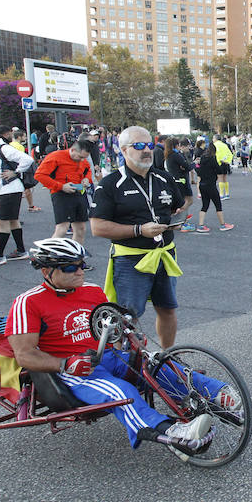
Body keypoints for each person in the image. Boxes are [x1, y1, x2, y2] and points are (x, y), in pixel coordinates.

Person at [4, 237, 224, 455]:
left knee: (160, 366)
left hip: (107, 357)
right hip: (71, 371)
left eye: (82, 265)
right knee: (120, 391)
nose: (80, 271)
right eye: (70, 267)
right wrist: (65, 363)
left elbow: (111, 328)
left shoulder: (92, 291)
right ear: (46, 272)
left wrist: (128, 338)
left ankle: (223, 395)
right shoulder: (28, 302)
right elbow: (24, 355)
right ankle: (173, 432)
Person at [89, 126, 186, 348]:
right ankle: (126, 363)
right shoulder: (110, 184)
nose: (147, 151)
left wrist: (173, 221)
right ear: (123, 150)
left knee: (168, 309)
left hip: (164, 256)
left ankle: (167, 356)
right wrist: (139, 230)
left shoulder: (164, 178)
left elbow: (178, 206)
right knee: (127, 317)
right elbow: (97, 227)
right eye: (139, 146)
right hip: (131, 259)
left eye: (150, 145)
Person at [0, 123, 33, 267]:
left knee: (4, 222)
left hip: (9, 190)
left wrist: (15, 172)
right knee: (13, 220)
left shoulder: (4, 148)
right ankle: (21, 251)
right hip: (4, 190)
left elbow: (28, 159)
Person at [35, 138, 95, 253]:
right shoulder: (56, 157)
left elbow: (87, 170)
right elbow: (39, 175)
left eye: (84, 158)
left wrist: (87, 179)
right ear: (73, 150)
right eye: (80, 157)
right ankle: (47, 255)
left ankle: (76, 258)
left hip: (79, 194)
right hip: (61, 195)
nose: (82, 160)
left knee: (81, 229)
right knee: (62, 229)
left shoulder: (82, 160)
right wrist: (61, 186)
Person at [193, 142, 234, 233]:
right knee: (218, 205)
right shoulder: (212, 158)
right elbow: (219, 171)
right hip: (210, 185)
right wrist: (221, 163)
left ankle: (201, 225)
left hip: (202, 185)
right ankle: (223, 225)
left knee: (205, 205)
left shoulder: (203, 158)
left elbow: (198, 171)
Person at [164, 138, 195, 232]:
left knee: (185, 201)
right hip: (181, 181)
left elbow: (183, 167)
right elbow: (187, 166)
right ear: (176, 145)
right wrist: (193, 164)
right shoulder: (175, 155)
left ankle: (181, 220)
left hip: (177, 180)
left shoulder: (169, 155)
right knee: (186, 201)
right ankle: (181, 221)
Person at [9, 128, 41, 213]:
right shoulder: (19, 147)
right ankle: (30, 206)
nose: (26, 138)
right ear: (19, 137)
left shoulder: (10, 144)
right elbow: (22, 160)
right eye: (24, 136)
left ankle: (29, 206)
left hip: (12, 170)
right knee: (26, 188)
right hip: (19, 171)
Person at [211, 135, 233, 200]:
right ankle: (227, 193)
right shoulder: (225, 145)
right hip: (225, 163)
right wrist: (228, 161)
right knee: (225, 178)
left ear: (215, 139)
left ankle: (221, 194)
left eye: (213, 138)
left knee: (220, 179)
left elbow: (215, 155)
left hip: (219, 163)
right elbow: (230, 154)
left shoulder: (214, 145)